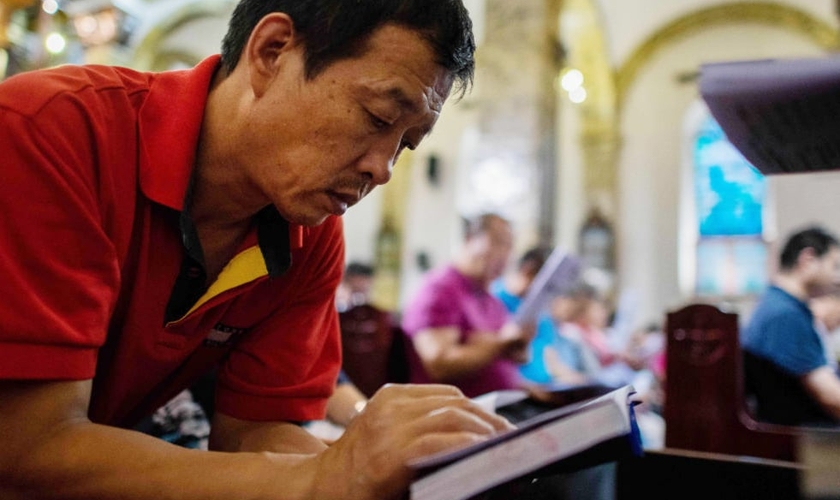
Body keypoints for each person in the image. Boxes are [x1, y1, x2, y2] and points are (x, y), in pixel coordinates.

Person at [0, 2, 516, 500]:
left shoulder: (306, 234)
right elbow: (27, 448)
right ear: (272, 52)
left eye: (406, 144)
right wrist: (325, 478)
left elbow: (254, 432)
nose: (383, 169)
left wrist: (372, 471)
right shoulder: (52, 132)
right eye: (379, 117)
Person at [401, 213, 534, 397]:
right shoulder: (440, 289)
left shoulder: (492, 301)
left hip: (504, 405)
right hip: (453, 413)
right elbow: (439, 363)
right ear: (469, 239)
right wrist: (499, 345)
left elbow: (505, 354)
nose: (504, 255)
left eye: (510, 247)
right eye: (498, 242)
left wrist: (515, 349)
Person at [742, 226, 840, 425]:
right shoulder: (785, 314)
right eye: (835, 266)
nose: (837, 278)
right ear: (808, 259)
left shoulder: (778, 304)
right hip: (806, 441)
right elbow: (830, 397)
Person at [493, 247, 588, 386]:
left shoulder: (542, 314)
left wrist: (583, 384)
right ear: (528, 270)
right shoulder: (494, 299)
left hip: (545, 390)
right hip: (512, 391)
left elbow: (551, 360)